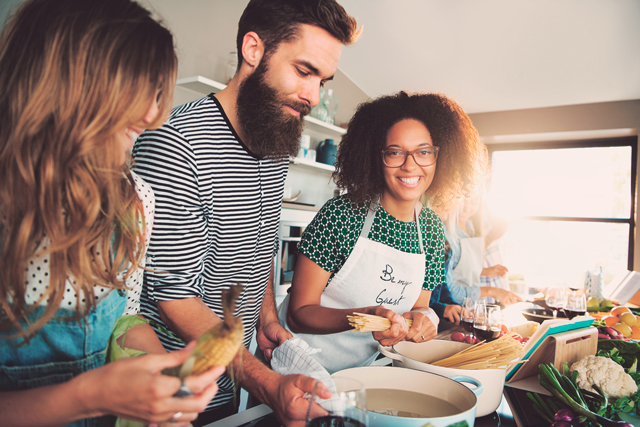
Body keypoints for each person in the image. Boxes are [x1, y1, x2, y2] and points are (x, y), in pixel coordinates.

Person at [131, 0, 360, 425]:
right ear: (253, 49)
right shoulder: (178, 145)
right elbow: (173, 297)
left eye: (322, 80)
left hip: (232, 373)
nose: (313, 95)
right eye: (304, 71)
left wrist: (267, 315)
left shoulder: (273, 137)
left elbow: (260, 243)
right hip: (172, 387)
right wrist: (265, 382)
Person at [0, 1, 225, 426]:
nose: (151, 116)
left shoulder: (135, 198)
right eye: (137, 88)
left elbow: (126, 318)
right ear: (67, 75)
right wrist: (87, 396)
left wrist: (167, 380)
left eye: (157, 94)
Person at [277, 91, 488, 373]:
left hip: (364, 373)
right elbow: (299, 315)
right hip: (297, 364)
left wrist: (425, 319)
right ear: (377, 157)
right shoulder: (341, 215)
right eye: (395, 152)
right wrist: (364, 316)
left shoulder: (432, 231)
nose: (410, 164)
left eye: (423, 151)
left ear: (441, 157)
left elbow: (418, 308)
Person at [445, 195, 522, 306]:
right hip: (453, 311)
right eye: (462, 201)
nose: (467, 208)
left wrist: (484, 272)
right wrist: (491, 291)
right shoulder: (446, 234)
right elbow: (448, 290)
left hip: (469, 309)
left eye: (474, 202)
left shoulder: (469, 225)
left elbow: (457, 270)